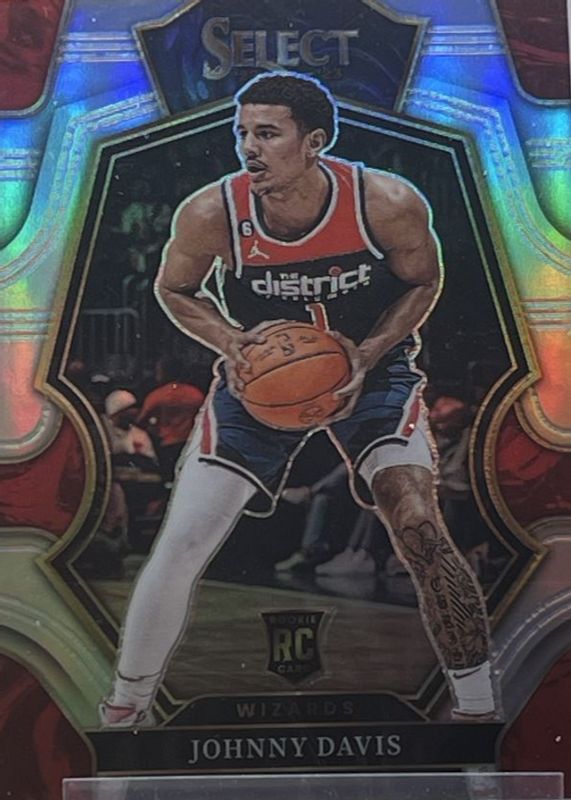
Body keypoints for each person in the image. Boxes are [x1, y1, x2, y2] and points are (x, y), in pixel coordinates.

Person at [100, 72, 497, 726]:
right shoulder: (211, 212)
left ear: (313, 142)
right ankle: (126, 706)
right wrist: (231, 341)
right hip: (260, 382)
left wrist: (368, 353)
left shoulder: (384, 202)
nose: (248, 148)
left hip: (372, 370)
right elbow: (174, 289)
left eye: (267, 133)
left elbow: (422, 281)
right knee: (183, 537)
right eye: (242, 133)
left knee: (417, 522)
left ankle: (479, 708)